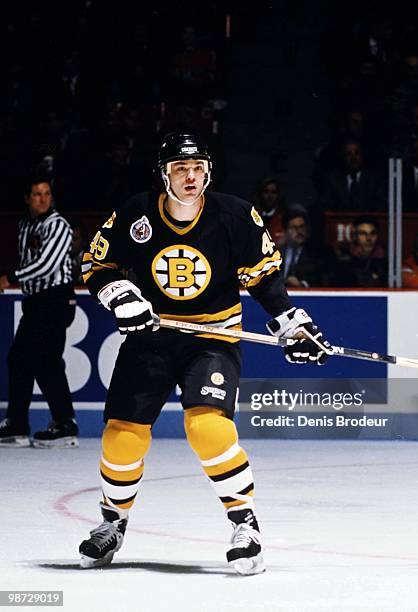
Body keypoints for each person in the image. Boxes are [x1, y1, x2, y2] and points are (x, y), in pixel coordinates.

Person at [78, 132, 330, 574]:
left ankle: (245, 523)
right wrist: (120, 294)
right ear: (165, 175)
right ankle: (112, 522)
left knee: (207, 427)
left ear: (208, 171)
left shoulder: (234, 214)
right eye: (180, 169)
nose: (190, 177)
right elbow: (97, 264)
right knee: (122, 435)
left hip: (213, 336)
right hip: (150, 338)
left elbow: (264, 278)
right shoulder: (136, 213)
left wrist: (291, 321)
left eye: (197, 169)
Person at [0, 177, 78, 448]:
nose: (43, 199)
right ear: (27, 198)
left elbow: (47, 265)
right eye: (36, 194)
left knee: (43, 361)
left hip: (55, 300)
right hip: (35, 301)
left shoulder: (57, 225)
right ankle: (18, 424)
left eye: (46, 193)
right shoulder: (26, 225)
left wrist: (11, 276)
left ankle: (64, 424)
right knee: (22, 360)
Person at [333, 215, 388, 287]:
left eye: (373, 233)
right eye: (363, 233)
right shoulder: (343, 261)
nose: (368, 238)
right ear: (355, 236)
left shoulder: (385, 262)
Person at [280, 206, 328, 287]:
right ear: (286, 231)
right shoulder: (277, 252)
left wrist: (302, 285)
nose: (299, 231)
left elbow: (323, 280)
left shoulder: (316, 253)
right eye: (294, 228)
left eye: (302, 227)